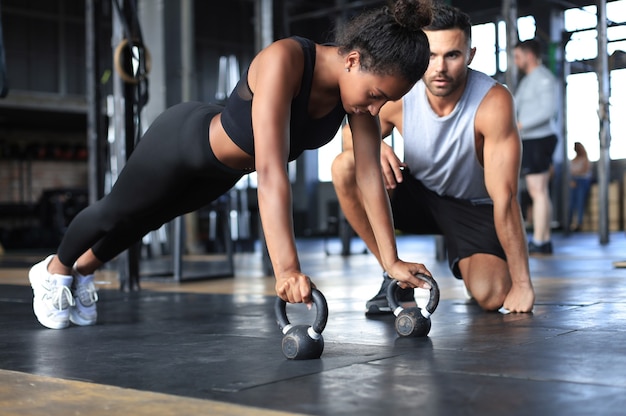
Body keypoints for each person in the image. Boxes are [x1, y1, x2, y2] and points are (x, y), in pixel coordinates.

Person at [28, 0, 435, 330]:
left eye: (386, 101)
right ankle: (54, 270)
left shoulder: (358, 101)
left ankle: (83, 271)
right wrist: (287, 269)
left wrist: (391, 261)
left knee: (147, 220)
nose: (376, 108)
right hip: (181, 142)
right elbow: (272, 168)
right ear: (352, 60)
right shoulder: (286, 59)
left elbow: (368, 176)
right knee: (117, 211)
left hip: (222, 171)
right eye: (377, 94)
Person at [332, 3, 534, 314]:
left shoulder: (493, 101)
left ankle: (468, 258)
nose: (439, 68)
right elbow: (351, 134)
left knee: (492, 295)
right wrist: (374, 148)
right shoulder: (400, 92)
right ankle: (391, 276)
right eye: (431, 56)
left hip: (472, 207)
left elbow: (505, 198)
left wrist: (522, 283)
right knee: (346, 165)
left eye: (452, 55)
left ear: (470, 55)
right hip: (419, 194)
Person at [513, 39, 559, 255]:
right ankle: (544, 239)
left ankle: (541, 241)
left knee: (537, 191)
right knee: (538, 191)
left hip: (539, 138)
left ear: (529, 56)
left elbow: (547, 111)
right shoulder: (528, 81)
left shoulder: (543, 79)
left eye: (518, 56)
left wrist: (519, 125)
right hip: (531, 139)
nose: (516, 61)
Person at [567, 142, 592, 232]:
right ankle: (569, 223)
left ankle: (579, 224)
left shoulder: (585, 159)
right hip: (574, 181)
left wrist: (575, 173)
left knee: (580, 202)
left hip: (582, 181)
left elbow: (584, 170)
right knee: (571, 203)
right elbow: (571, 172)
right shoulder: (574, 159)